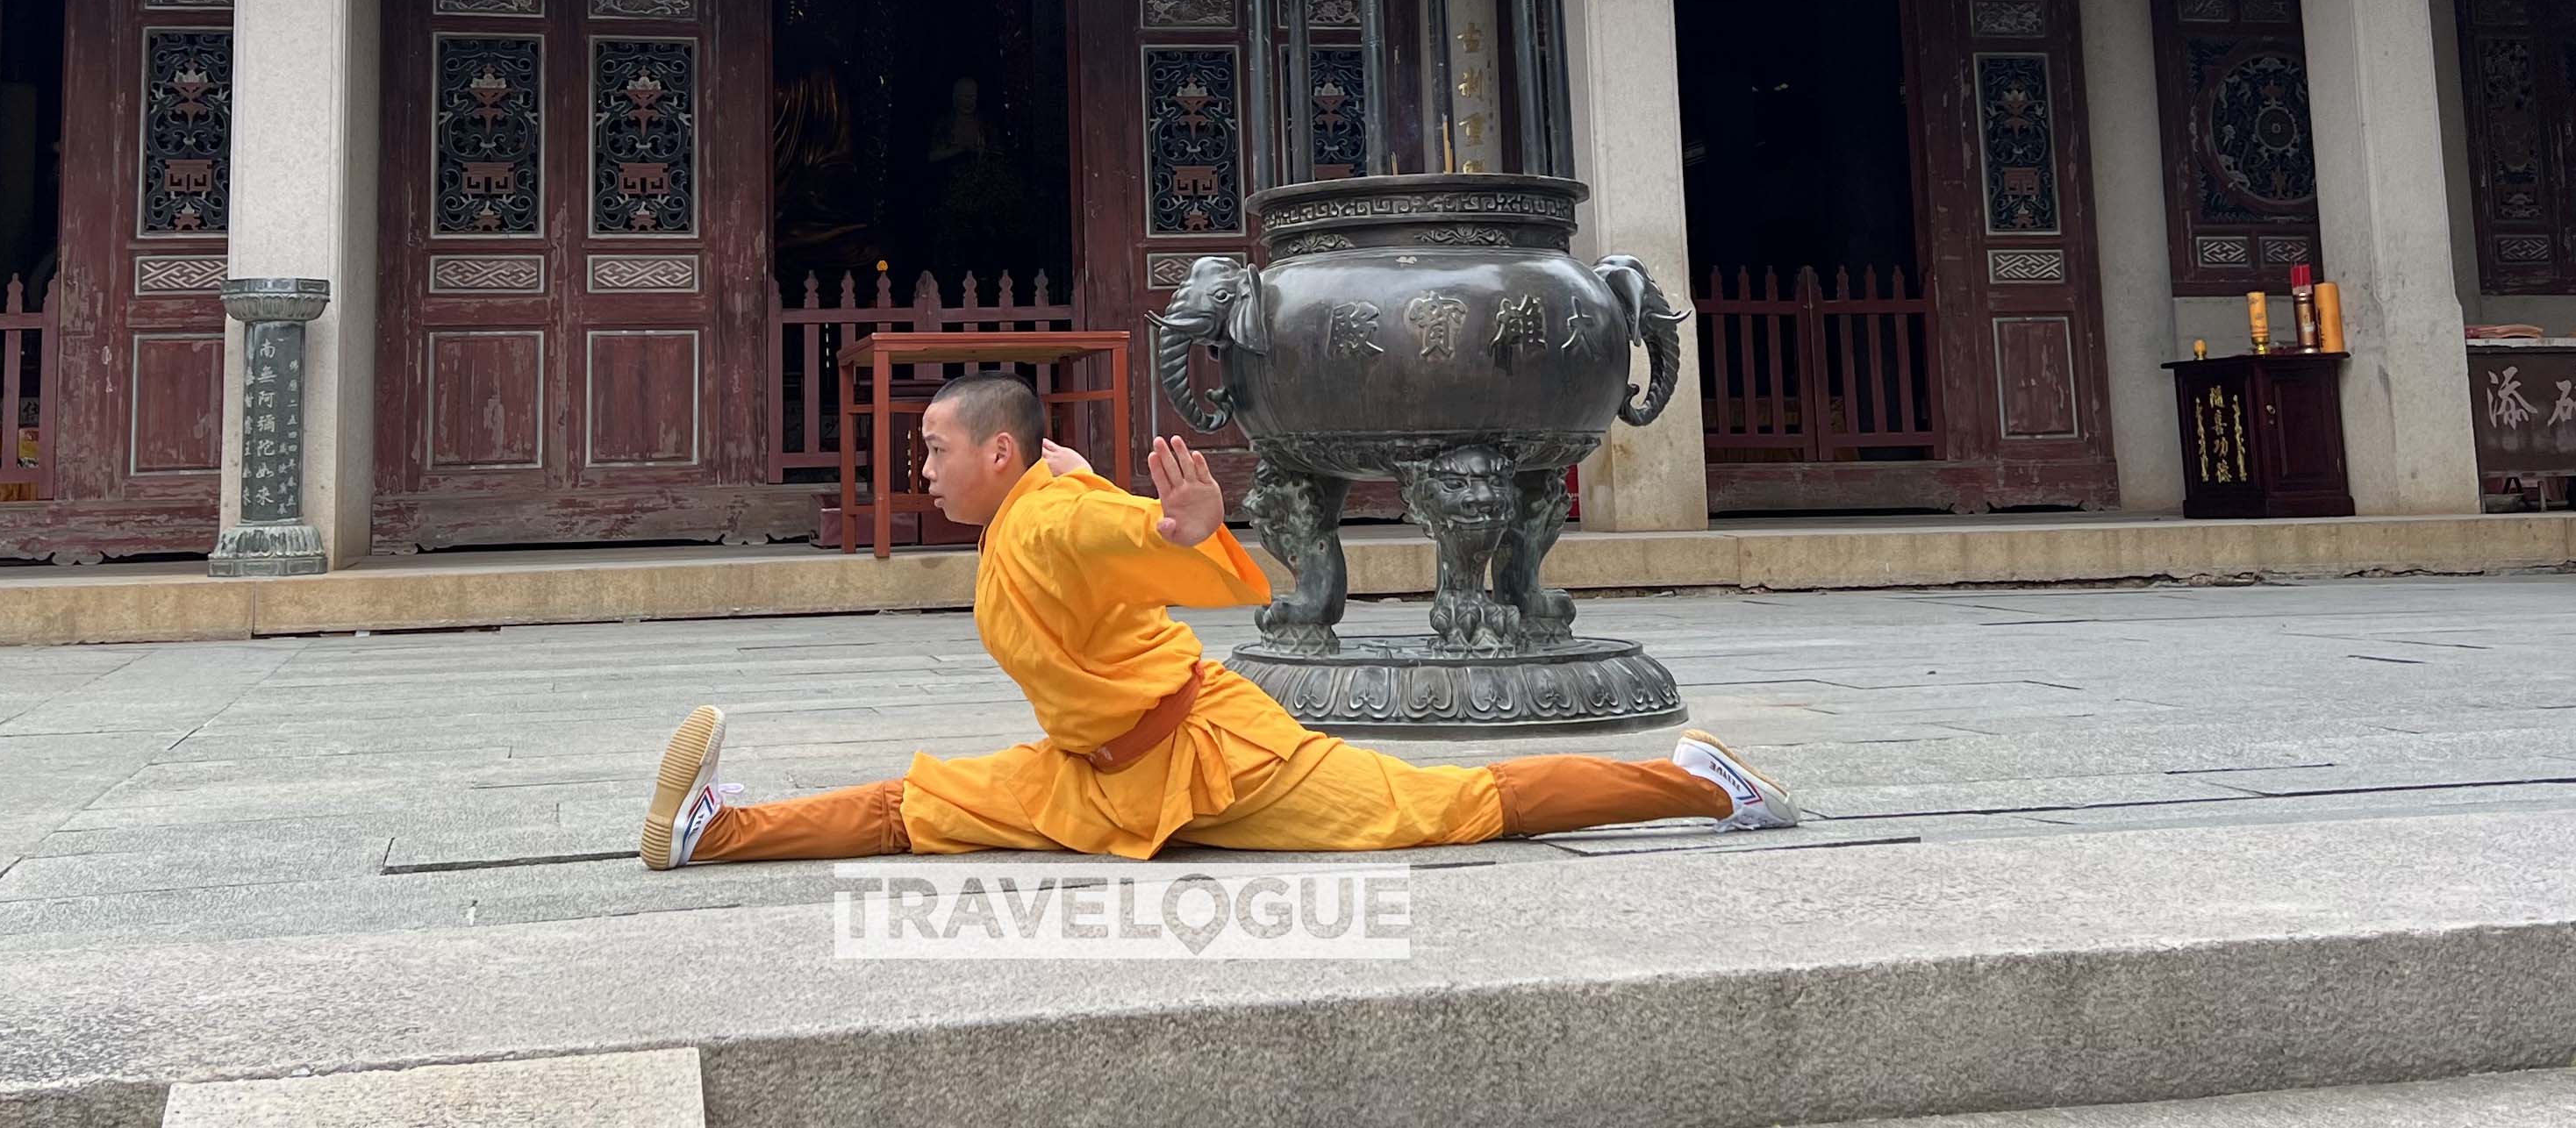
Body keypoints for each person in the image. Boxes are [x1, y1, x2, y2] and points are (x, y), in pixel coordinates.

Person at [640, 370, 1797, 868]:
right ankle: (713, 831)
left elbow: (1116, 541)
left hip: (1224, 759)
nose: (922, 467)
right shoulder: (1038, 500)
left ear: (997, 450)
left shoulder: (1048, 522)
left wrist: (1179, 530)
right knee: (922, 804)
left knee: (1461, 805)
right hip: (1094, 772)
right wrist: (1124, 506)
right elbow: (1086, 511)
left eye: (935, 450)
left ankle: (1703, 782)